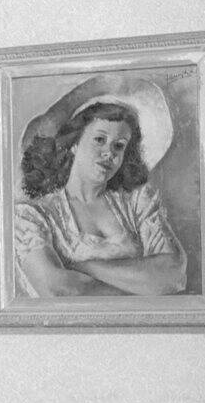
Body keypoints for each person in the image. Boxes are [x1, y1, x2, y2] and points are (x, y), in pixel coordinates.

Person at [15, 79, 186, 297]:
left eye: (119, 145)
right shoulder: (34, 215)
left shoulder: (136, 203)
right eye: (99, 139)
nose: (109, 153)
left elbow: (174, 275)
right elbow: (56, 288)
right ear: (74, 143)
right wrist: (144, 286)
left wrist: (83, 267)